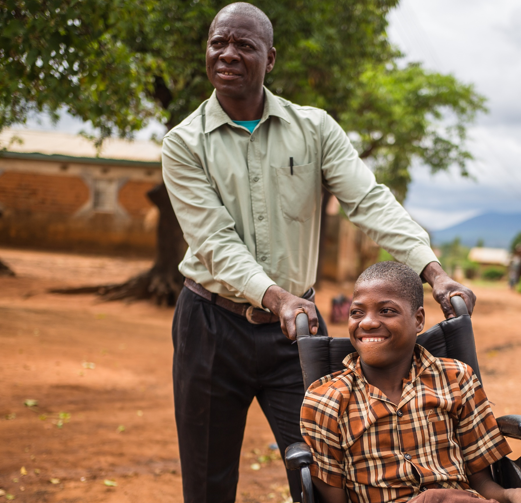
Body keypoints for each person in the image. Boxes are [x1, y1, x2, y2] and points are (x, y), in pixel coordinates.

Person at [161, 4, 476, 502]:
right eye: (218, 42)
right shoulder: (183, 144)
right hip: (210, 326)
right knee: (206, 482)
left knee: (326, 476)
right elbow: (215, 241)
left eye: (244, 45)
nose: (227, 54)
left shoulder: (314, 129)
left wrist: (433, 272)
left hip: (297, 335)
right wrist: (275, 297)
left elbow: (369, 201)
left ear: (270, 58)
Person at [301, 262, 521, 503]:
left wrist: (515, 495)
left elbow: (483, 482)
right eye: (357, 312)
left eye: (386, 310)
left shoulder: (456, 379)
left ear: (418, 320)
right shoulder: (326, 400)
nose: (367, 322)